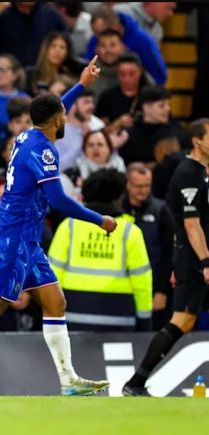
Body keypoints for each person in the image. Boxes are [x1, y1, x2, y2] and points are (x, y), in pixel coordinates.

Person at [0, 55, 118, 397]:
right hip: (13, 236)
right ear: (58, 120)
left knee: (55, 302)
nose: (66, 116)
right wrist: (100, 220)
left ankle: (68, 380)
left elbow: (54, 107)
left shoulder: (27, 135)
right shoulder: (44, 152)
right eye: (64, 114)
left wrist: (81, 84)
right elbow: (59, 200)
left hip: (24, 236)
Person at [122, 118, 209, 396]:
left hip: (195, 257)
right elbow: (191, 225)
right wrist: (205, 262)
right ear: (197, 141)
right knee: (182, 320)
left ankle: (136, 382)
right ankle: (136, 382)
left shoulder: (202, 172)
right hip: (194, 258)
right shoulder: (189, 174)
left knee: (184, 320)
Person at [48, 168, 153, 331]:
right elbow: (142, 281)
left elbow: (52, 275)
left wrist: (51, 316)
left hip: (73, 316)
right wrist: (144, 319)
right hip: (119, 320)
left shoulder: (69, 226)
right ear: (117, 198)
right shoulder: (130, 231)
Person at [123, 163, 175, 330]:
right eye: (139, 186)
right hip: (124, 286)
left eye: (147, 185)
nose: (143, 190)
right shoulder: (117, 209)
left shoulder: (161, 210)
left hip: (153, 287)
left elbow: (169, 253)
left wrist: (162, 291)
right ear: (128, 184)